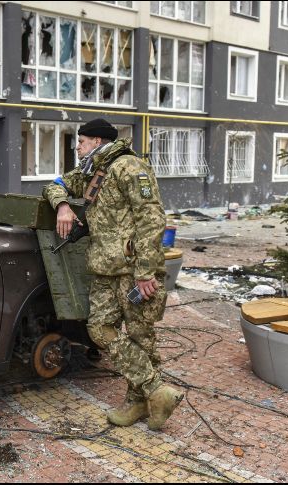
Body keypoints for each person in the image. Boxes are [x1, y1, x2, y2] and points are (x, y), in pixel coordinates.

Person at [42, 118, 183, 431]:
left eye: (80, 142)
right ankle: (156, 391)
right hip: (105, 269)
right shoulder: (93, 172)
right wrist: (63, 205)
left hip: (133, 272)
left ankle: (139, 404)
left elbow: (152, 219)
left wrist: (146, 272)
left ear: (95, 141)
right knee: (99, 328)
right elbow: (55, 184)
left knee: (140, 336)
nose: (76, 147)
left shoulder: (129, 167)